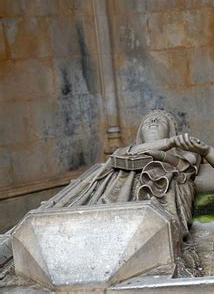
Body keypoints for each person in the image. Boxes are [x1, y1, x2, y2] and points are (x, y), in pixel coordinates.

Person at [54, 108, 201, 276]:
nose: (152, 122)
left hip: (164, 190)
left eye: (159, 121)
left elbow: (188, 168)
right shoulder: (125, 151)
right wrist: (166, 143)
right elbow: (128, 152)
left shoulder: (187, 153)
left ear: (170, 131)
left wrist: (163, 154)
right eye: (148, 121)